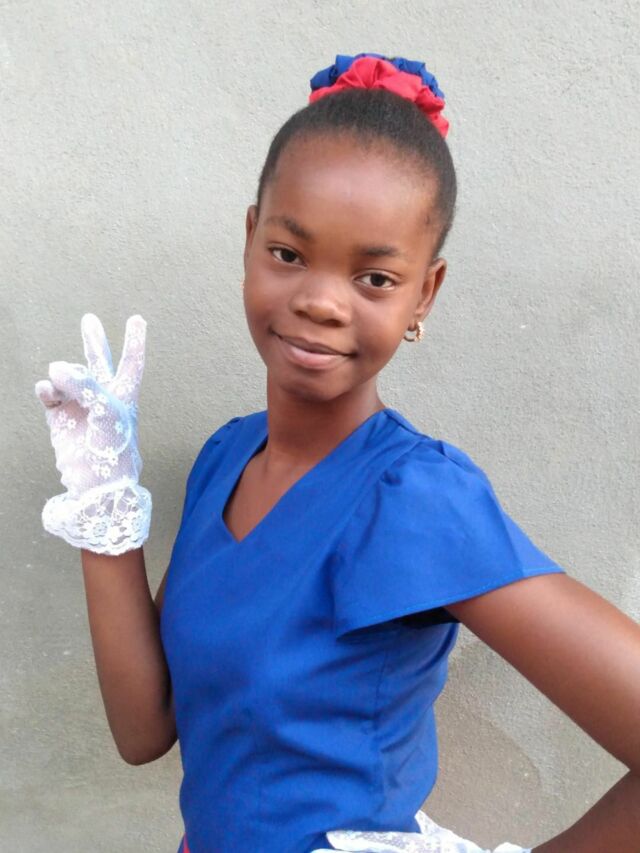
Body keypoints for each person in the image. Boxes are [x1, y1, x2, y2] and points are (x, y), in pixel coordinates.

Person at [34, 53, 640, 853]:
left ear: (424, 293)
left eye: (375, 277)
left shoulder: (414, 497)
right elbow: (146, 729)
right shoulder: (226, 456)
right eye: (289, 254)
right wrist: (105, 501)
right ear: (250, 239)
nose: (320, 300)